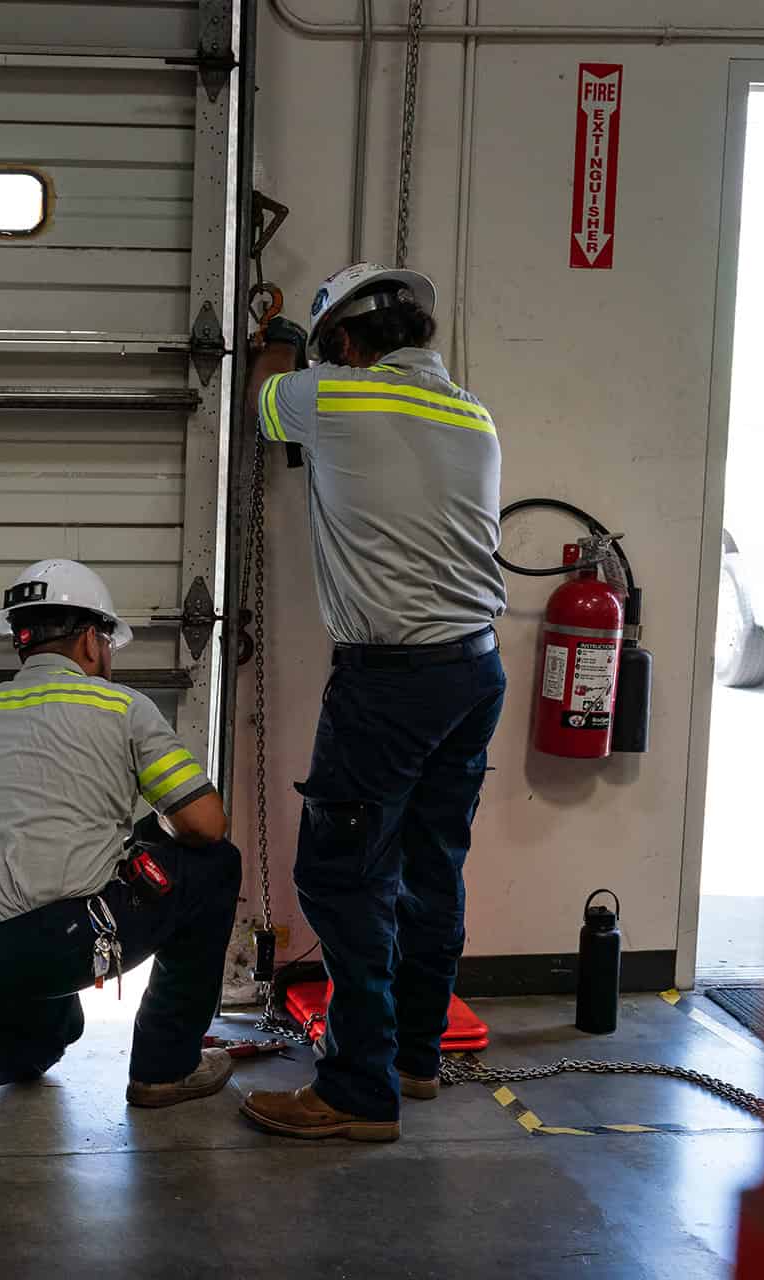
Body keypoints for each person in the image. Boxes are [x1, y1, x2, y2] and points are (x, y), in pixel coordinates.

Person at [236, 263, 509, 1143]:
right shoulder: (473, 414)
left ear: (346, 346)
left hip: (391, 681)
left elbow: (263, 400)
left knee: (342, 874)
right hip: (475, 670)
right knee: (433, 865)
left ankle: (357, 1089)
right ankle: (414, 1060)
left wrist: (275, 335)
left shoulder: (337, 399)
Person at [0, 559, 244, 1138]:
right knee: (215, 867)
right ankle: (167, 1068)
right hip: (57, 944)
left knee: (55, 1029)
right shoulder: (121, 708)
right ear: (92, 642)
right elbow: (207, 826)